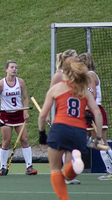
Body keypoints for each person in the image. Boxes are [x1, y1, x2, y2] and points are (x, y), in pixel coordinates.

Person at [38, 57, 103, 200]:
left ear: (64, 71)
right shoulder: (84, 90)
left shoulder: (56, 88)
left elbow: (42, 116)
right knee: (67, 173)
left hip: (59, 128)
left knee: (55, 169)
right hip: (79, 131)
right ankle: (75, 162)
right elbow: (97, 113)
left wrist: (42, 135)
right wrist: (98, 137)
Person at [0, 61, 37, 176]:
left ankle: (29, 167)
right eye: (12, 67)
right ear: (6, 69)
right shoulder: (0, 84)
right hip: (6, 115)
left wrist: (25, 112)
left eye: (16, 68)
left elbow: (25, 97)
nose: (14, 69)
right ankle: (2, 167)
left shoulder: (20, 82)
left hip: (19, 114)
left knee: (24, 139)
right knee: (6, 141)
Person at [47, 49, 82, 185]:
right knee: (63, 145)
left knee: (71, 145)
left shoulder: (75, 75)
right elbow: (51, 95)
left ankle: (66, 173)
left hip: (72, 115)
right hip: (60, 116)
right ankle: (60, 172)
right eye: (76, 56)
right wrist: (49, 114)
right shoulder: (58, 76)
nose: (78, 58)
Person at [78, 52, 112, 180]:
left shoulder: (90, 76)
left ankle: (110, 170)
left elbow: (92, 95)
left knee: (101, 142)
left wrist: (86, 109)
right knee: (95, 142)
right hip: (91, 109)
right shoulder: (88, 76)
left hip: (93, 110)